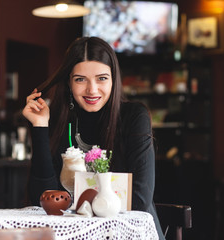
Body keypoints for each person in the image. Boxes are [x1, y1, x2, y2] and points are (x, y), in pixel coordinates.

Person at [22, 36, 165, 239]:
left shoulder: (134, 116)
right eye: (80, 79)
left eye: (102, 78)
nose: (92, 89)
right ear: (69, 82)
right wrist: (39, 126)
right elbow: (43, 199)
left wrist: (77, 205)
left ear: (114, 79)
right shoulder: (57, 120)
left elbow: (139, 200)